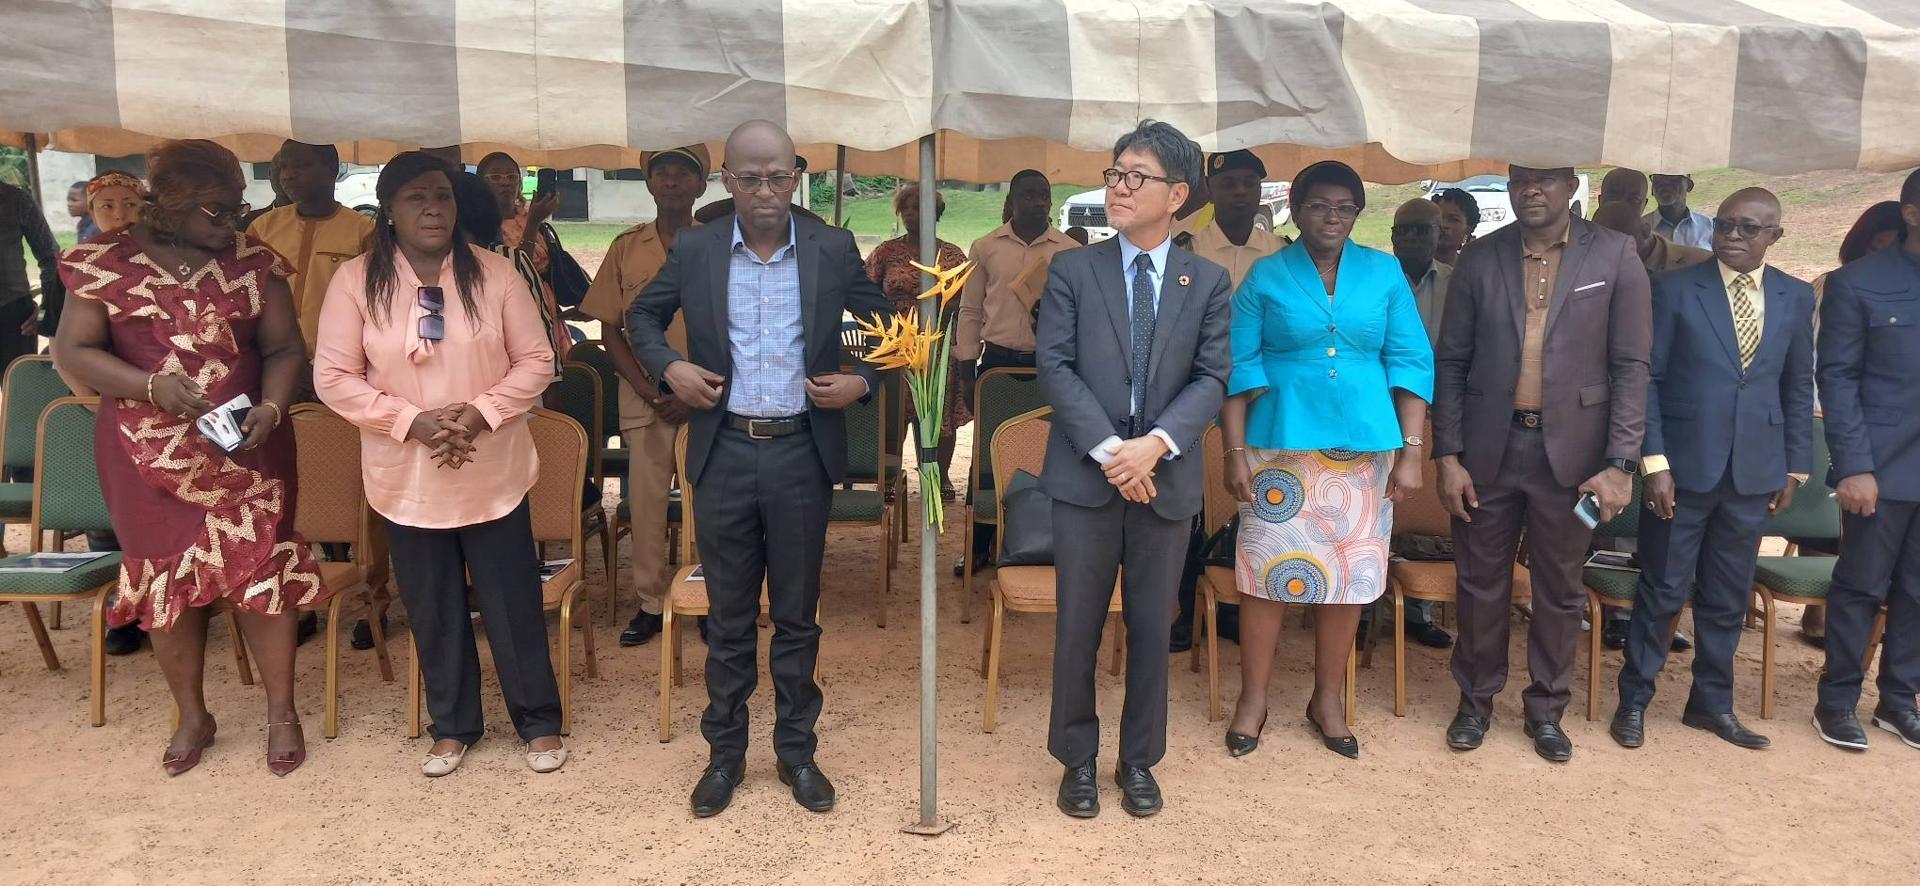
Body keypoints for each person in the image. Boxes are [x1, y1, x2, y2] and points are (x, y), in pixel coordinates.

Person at [628, 120, 887, 817]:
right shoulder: (699, 248)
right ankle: (725, 756)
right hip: (726, 450)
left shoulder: (832, 248)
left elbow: (888, 327)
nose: (765, 191)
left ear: (797, 176)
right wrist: (670, 366)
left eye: (778, 177)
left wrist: (861, 380)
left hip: (803, 450)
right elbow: (640, 318)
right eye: (750, 178)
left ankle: (797, 754)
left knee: (799, 616)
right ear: (728, 181)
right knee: (731, 616)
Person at [51, 139, 324, 777]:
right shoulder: (102, 262)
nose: (233, 223)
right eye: (217, 211)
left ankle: (282, 711)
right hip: (147, 453)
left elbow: (286, 349)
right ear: (169, 205)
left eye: (238, 208)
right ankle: (192, 713)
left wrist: (274, 408)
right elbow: (75, 351)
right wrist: (149, 386)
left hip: (247, 445)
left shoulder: (255, 260)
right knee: (164, 576)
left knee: (262, 568)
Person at [313, 152, 568, 776]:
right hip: (407, 470)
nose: (432, 208)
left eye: (443, 197)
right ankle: (453, 725)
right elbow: (333, 376)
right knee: (431, 603)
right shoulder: (355, 279)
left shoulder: (497, 273)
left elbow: (536, 361)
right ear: (389, 211)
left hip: (491, 464)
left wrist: (477, 415)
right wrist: (413, 424)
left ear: (459, 207)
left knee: (510, 600)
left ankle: (537, 722)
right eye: (415, 198)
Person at [1037, 120, 1229, 818]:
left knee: (1153, 626)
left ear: (1176, 193)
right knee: (1078, 627)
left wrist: (1157, 444)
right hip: (1087, 481)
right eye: (1115, 172)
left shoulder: (1206, 280)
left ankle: (1139, 760)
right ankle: (1077, 761)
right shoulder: (1073, 270)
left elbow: (1212, 376)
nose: (1117, 187)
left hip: (1165, 480)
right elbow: (1053, 367)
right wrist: (1114, 453)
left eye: (1135, 177)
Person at [1433, 165, 1651, 762]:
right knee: (1479, 583)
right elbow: (1450, 362)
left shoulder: (1614, 255)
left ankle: (1546, 710)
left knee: (1560, 589)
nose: (1531, 190)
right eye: (1520, 179)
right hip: (1488, 451)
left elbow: (1632, 366)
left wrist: (1621, 463)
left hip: (1576, 459)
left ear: (1573, 187)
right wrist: (1447, 455)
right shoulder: (1481, 257)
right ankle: (1474, 702)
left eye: (1546, 180)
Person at [1221, 161, 1433, 760]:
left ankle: (1327, 699)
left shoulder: (1385, 272)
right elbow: (1238, 368)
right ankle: (1253, 699)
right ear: (1296, 207)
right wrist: (1234, 452)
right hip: (1278, 449)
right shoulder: (1266, 275)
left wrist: (1412, 453)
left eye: (1344, 207)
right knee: (1265, 577)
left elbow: (1412, 363)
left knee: (1349, 577)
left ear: (1358, 214)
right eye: (1318, 205)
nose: (1331, 217)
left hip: (1364, 451)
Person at [1611, 188, 1815, 751]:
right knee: (1663, 589)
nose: (1732, 236)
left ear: (1776, 235)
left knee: (1728, 596)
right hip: (1681, 470)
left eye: (1749, 228)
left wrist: (1795, 467)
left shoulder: (1796, 297)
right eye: (1725, 224)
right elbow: (1647, 380)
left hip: (1754, 472)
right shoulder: (1675, 290)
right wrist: (1654, 464)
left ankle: (1711, 705)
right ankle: (1634, 703)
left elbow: (1797, 386)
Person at [578, 146, 706, 648]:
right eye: (663, 174)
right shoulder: (626, 247)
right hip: (646, 399)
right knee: (647, 506)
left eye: (683, 174)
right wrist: (649, 389)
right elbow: (611, 331)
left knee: (710, 505)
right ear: (650, 185)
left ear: (701, 185)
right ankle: (651, 604)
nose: (672, 182)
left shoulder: (719, 243)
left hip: (708, 399)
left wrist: (695, 392)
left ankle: (709, 600)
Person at [1810, 169, 1920, 752]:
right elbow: (1839, 379)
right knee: (1859, 587)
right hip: (1879, 470)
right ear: (1911, 213)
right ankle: (1837, 702)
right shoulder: (1860, 283)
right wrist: (1853, 465)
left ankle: (1900, 701)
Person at [1797, 200, 1911, 648]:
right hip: (1828, 416)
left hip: (1885, 429)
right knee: (1834, 533)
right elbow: (1816, 362)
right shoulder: (1834, 286)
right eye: (1877, 245)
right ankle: (1821, 617)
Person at [867, 183, 971, 499]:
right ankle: (889, 476)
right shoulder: (886, 252)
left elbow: (965, 301)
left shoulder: (952, 254)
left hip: (939, 346)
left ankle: (937, 478)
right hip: (897, 345)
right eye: (907, 208)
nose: (912, 214)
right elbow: (865, 292)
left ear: (936, 213)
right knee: (895, 412)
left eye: (919, 208)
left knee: (938, 413)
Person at [1386, 196, 1456, 650]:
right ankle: (1360, 610)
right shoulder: (1372, 278)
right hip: (1376, 413)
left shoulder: (1456, 283)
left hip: (1439, 413)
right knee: (1371, 512)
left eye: (1422, 229)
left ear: (1440, 234)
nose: (1412, 237)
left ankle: (1417, 611)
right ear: (1392, 236)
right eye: (1404, 229)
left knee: (1420, 509)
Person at [248, 141, 374, 373]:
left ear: (331, 168)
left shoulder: (362, 231)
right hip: (269, 362)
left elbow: (372, 307)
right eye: (283, 167)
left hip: (335, 364)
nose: (287, 176)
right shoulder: (262, 228)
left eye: (300, 166)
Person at [955, 170, 1079, 372]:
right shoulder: (984, 247)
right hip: (998, 361)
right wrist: (967, 365)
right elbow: (970, 310)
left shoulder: (1071, 251)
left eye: (1044, 196)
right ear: (1011, 202)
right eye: (1029, 196)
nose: (1039, 202)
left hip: (1052, 363)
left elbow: (1081, 315)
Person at [476, 151, 571, 360]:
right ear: (480, 183)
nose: (505, 183)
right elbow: (518, 269)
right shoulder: (481, 225)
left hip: (548, 311)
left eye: (511, 176)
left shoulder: (528, 215)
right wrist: (534, 223)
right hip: (516, 315)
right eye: (496, 177)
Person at [1186, 150, 1289, 289]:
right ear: (1209, 190)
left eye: (1249, 183)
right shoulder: (1188, 251)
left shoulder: (1281, 251)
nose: (1240, 191)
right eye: (1228, 184)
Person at [1, 178, 65, 367]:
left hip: (13, 316)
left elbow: (51, 259)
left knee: (18, 391)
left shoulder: (16, 200)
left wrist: (44, 313)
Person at [1594, 202, 1712, 276]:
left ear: (1645, 231)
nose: (1611, 252)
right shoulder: (1591, 267)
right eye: (1602, 244)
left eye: (1621, 243)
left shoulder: (1701, 263)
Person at [1647, 174, 1715, 250]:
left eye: (1672, 176)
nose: (1664, 182)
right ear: (1652, 189)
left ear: (1689, 185)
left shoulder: (1710, 227)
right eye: (1658, 178)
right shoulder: (1638, 229)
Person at [84, 172, 144, 238]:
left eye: (130, 205)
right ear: (92, 213)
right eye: (107, 206)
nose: (120, 215)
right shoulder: (85, 247)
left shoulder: (154, 247)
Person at [1431, 187, 1478, 267]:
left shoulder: (1473, 270)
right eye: (1438, 218)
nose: (1443, 225)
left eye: (1453, 220)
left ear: (1469, 228)